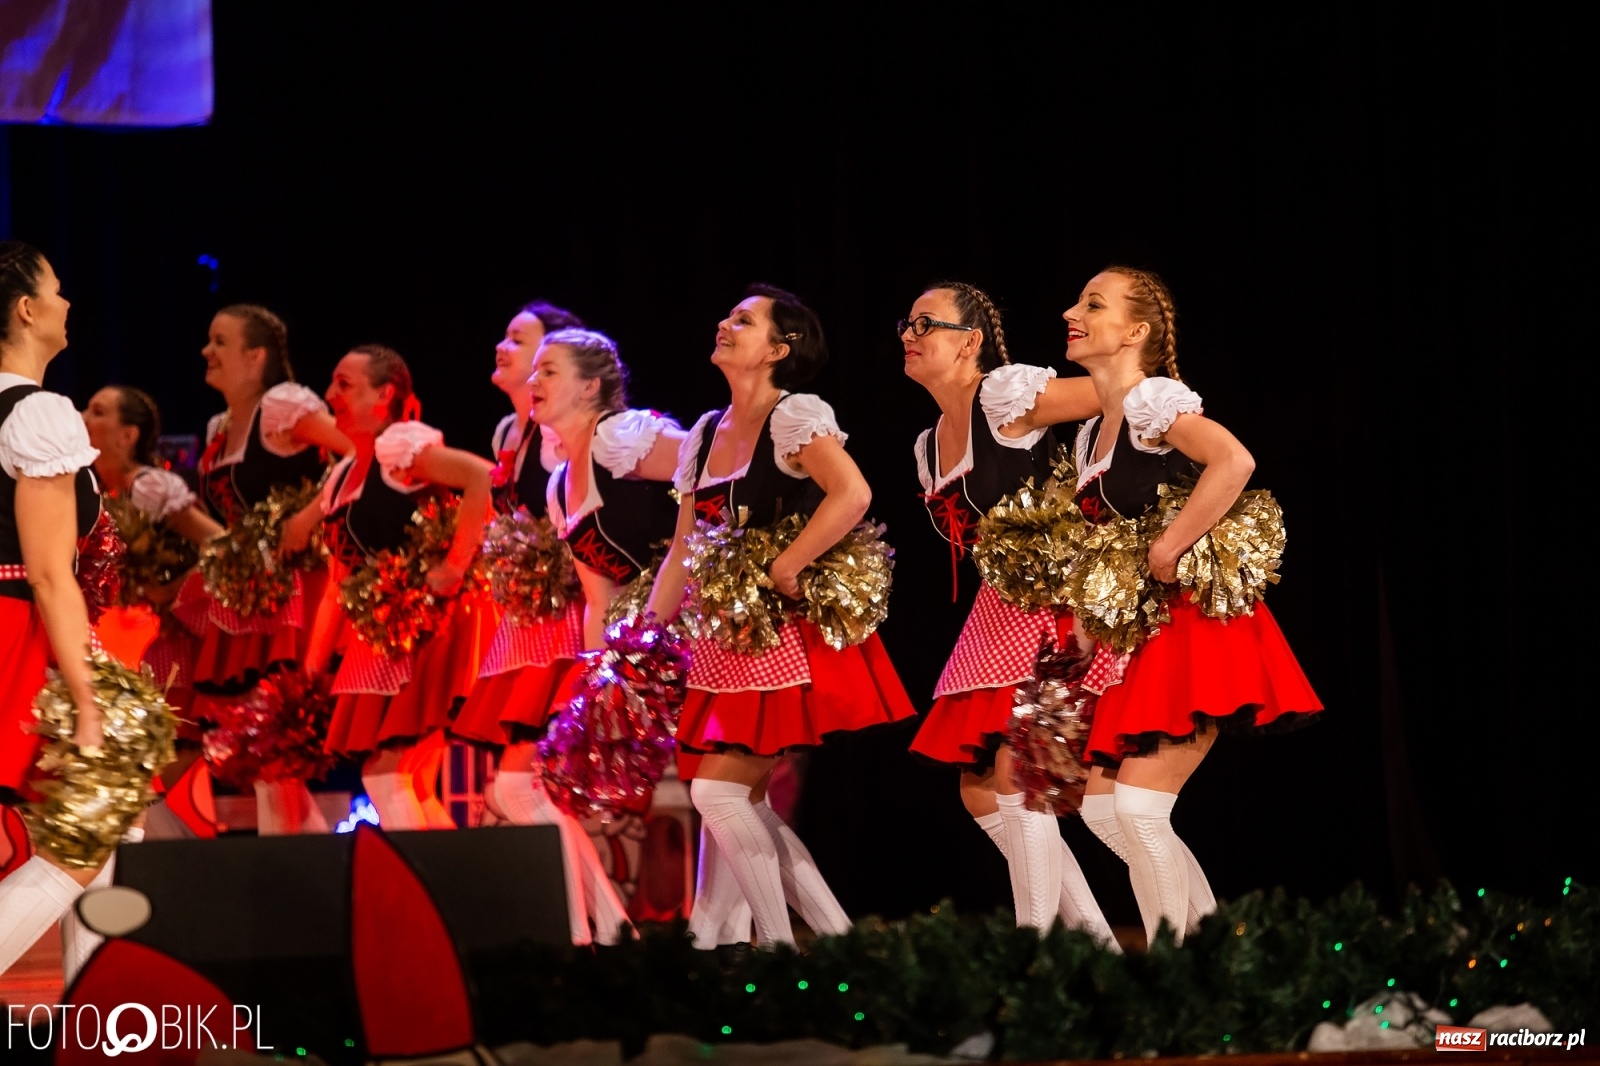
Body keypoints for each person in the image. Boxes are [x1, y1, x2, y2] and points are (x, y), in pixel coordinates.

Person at [646, 284, 917, 950]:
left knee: (718, 797)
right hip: (719, 641)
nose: (725, 324)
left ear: (779, 347)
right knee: (749, 806)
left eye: (744, 320)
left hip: (773, 638)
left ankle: (778, 953)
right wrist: (641, 636)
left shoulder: (795, 415)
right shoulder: (705, 432)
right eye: (727, 315)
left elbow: (852, 493)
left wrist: (788, 564)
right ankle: (840, 946)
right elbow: (685, 546)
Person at [1062, 266, 1321, 945]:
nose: (1072, 312)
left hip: (1193, 624)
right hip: (1141, 635)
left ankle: (1186, 975)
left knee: (1141, 810)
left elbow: (1233, 461)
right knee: (1103, 812)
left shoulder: (1153, 400)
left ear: (1137, 330)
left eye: (1093, 304)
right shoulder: (1094, 433)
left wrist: (1170, 547)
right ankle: (1212, 953)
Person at [901, 280, 1116, 942]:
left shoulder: (1004, 398)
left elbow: (1122, 392)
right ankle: (1097, 952)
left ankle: (1041, 958)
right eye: (905, 324)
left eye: (925, 323)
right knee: (981, 793)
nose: (908, 334)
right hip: (999, 612)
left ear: (971, 342)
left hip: (1056, 605)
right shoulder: (928, 444)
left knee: (1019, 784)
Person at [0, 242, 145, 974]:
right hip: (16, 638)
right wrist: (87, 700)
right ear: (26, 310)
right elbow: (51, 575)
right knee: (93, 825)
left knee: (103, 823)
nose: (67, 302)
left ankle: (93, 1024)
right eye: (56, 289)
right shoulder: (37, 414)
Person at [288, 345, 497, 836]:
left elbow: (482, 478)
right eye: (333, 384)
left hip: (425, 629)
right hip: (381, 638)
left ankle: (436, 904)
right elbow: (340, 584)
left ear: (384, 395)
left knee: (387, 777)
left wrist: (453, 565)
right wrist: (311, 673)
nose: (331, 395)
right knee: (409, 782)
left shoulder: (401, 448)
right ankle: (458, 902)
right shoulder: (341, 477)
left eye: (346, 384)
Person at [527, 326, 683, 945]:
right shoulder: (559, 480)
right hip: (645, 650)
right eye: (535, 372)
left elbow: (717, 478)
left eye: (549, 372)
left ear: (591, 387)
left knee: (723, 794)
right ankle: (603, 939)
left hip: (700, 628)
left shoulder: (621, 437)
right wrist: (598, 686)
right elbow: (600, 597)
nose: (534, 384)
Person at [177, 304, 350, 835]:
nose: (207, 351)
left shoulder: (281, 408)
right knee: (260, 758)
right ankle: (309, 877)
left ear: (257, 356)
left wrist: (311, 513)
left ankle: (303, 884)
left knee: (276, 750)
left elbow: (356, 453)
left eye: (220, 341)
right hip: (244, 600)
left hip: (292, 595)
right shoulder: (220, 427)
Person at [83, 385, 224, 839]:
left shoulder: (151, 487)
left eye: (98, 411)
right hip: (119, 641)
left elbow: (223, 546)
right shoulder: (88, 488)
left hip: (168, 640)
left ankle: (178, 862)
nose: (85, 416)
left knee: (165, 756)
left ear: (128, 435)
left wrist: (170, 591)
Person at [452, 302, 585, 759]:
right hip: (527, 619)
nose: (500, 347)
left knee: (523, 785)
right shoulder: (508, 432)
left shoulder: (559, 437)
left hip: (563, 619)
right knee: (519, 788)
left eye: (516, 339)